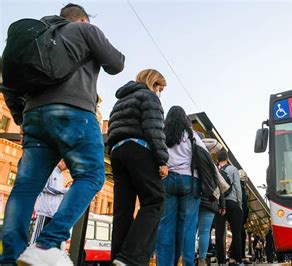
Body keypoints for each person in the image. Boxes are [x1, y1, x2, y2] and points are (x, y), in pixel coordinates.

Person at [0, 3, 124, 265]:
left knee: (25, 186)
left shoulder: (35, 39)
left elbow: (8, 85)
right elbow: (116, 63)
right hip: (74, 112)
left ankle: (10, 256)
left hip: (34, 117)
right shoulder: (84, 30)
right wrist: (92, 36)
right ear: (81, 20)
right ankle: (48, 243)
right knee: (91, 175)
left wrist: (22, 118)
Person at [107, 69, 168, 265]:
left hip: (117, 152)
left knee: (122, 209)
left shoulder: (120, 101)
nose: (159, 93)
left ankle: (118, 258)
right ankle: (130, 257)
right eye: (160, 88)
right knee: (154, 200)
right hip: (138, 149)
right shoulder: (148, 96)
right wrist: (162, 160)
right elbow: (154, 129)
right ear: (154, 83)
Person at [155, 106, 206, 266]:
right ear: (185, 119)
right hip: (190, 182)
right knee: (188, 227)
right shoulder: (192, 135)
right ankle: (188, 263)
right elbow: (205, 158)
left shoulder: (162, 134)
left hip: (167, 180)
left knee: (166, 226)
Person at [30, 160, 70, 244]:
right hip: (43, 211)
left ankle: (40, 255)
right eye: (67, 165)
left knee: (45, 238)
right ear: (62, 161)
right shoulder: (49, 171)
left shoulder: (61, 176)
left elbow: (58, 193)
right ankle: (31, 254)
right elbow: (46, 187)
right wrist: (65, 191)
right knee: (37, 237)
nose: (67, 168)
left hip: (53, 213)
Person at [215, 150, 243, 265]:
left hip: (219, 204)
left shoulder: (215, 169)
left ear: (218, 159)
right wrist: (240, 204)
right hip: (232, 203)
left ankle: (221, 261)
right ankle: (238, 260)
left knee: (219, 233)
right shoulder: (233, 169)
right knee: (236, 232)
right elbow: (237, 187)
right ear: (227, 159)